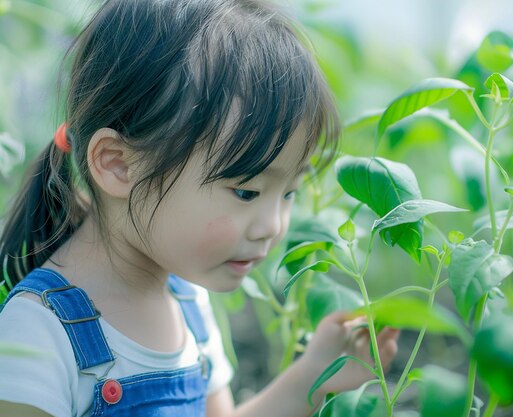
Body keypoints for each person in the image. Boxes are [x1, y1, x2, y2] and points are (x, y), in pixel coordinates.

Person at [0, 0, 400, 416]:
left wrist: (315, 374)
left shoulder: (187, 302)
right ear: (118, 164)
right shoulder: (39, 334)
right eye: (247, 192)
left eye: (289, 192)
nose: (273, 227)